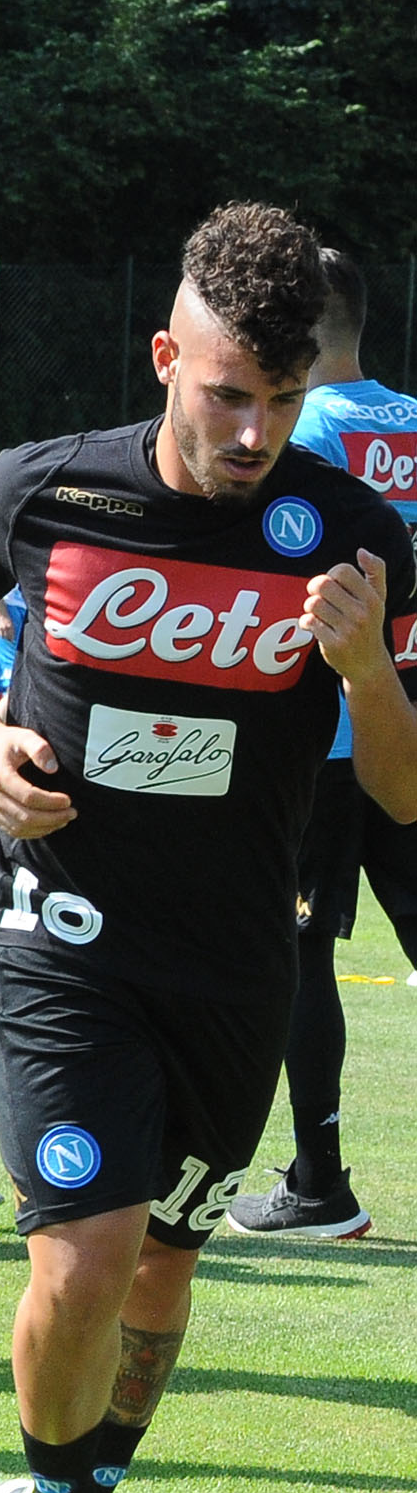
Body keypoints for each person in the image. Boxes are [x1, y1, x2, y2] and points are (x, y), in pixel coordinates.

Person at [0, 200, 417, 1493]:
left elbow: (398, 786)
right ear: (163, 357)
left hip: (232, 953)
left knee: (161, 1273)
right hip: (55, 925)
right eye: (222, 395)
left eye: (279, 398)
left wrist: (357, 669)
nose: (252, 431)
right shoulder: (52, 489)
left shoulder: (350, 536)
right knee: (84, 1246)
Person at [233, 246, 417, 1239]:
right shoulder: (414, 419)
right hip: (410, 726)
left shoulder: (298, 435)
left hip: (324, 736)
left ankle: (320, 1184)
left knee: (301, 954)